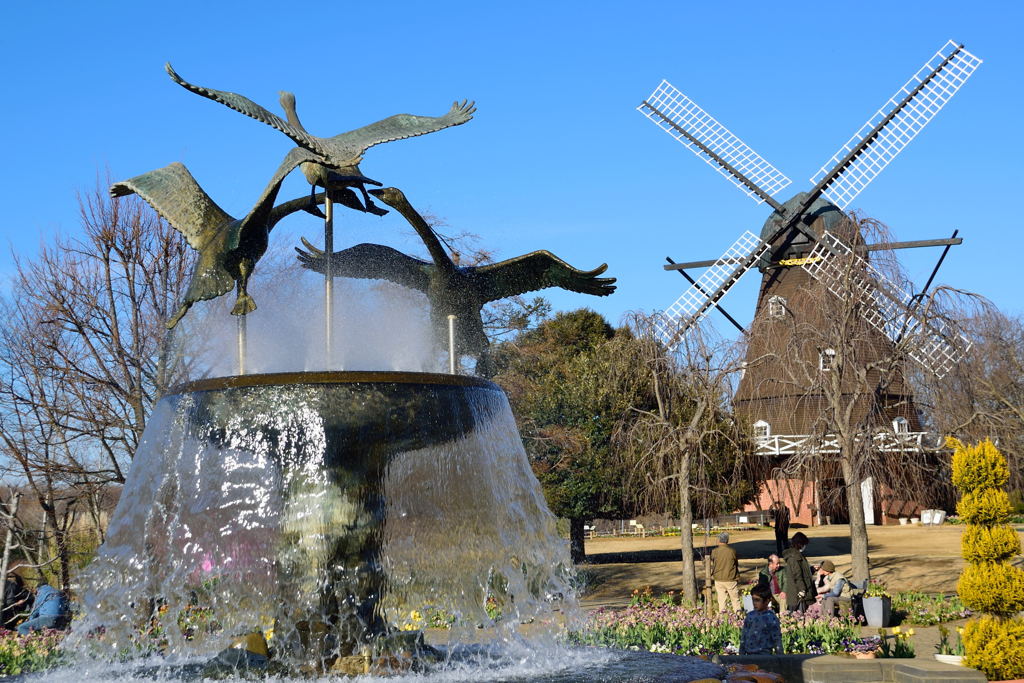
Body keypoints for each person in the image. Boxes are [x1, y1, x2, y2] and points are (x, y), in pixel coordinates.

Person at [739, 584, 783, 655]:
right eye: (753, 600)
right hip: (749, 655)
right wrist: (741, 654)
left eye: (757, 600)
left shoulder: (771, 617)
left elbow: (776, 638)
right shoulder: (750, 616)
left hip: (765, 655)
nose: (754, 603)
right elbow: (744, 635)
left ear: (767, 601)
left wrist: (780, 656)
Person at [781, 531, 813, 613]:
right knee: (797, 615)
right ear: (800, 544)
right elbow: (797, 576)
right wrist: (802, 589)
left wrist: (812, 569)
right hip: (797, 593)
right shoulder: (794, 558)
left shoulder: (798, 556)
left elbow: (802, 571)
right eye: (804, 544)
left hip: (800, 590)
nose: (805, 546)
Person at [711, 531, 741, 612]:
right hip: (730, 578)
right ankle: (738, 617)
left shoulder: (714, 551)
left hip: (718, 578)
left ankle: (722, 619)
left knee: (721, 601)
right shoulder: (732, 551)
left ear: (719, 540)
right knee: (735, 600)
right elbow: (736, 563)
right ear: (727, 540)